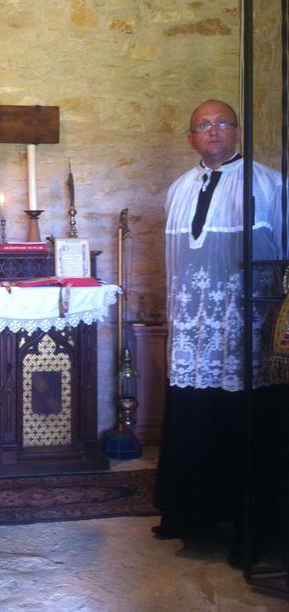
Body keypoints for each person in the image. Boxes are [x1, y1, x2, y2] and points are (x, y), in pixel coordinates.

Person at [153, 99, 285, 567]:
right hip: (193, 337)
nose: (212, 132)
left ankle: (251, 529)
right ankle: (191, 517)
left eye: (220, 123)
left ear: (238, 131)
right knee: (195, 416)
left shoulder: (270, 185)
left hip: (245, 334)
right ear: (191, 138)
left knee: (246, 424)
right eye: (202, 126)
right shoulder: (179, 188)